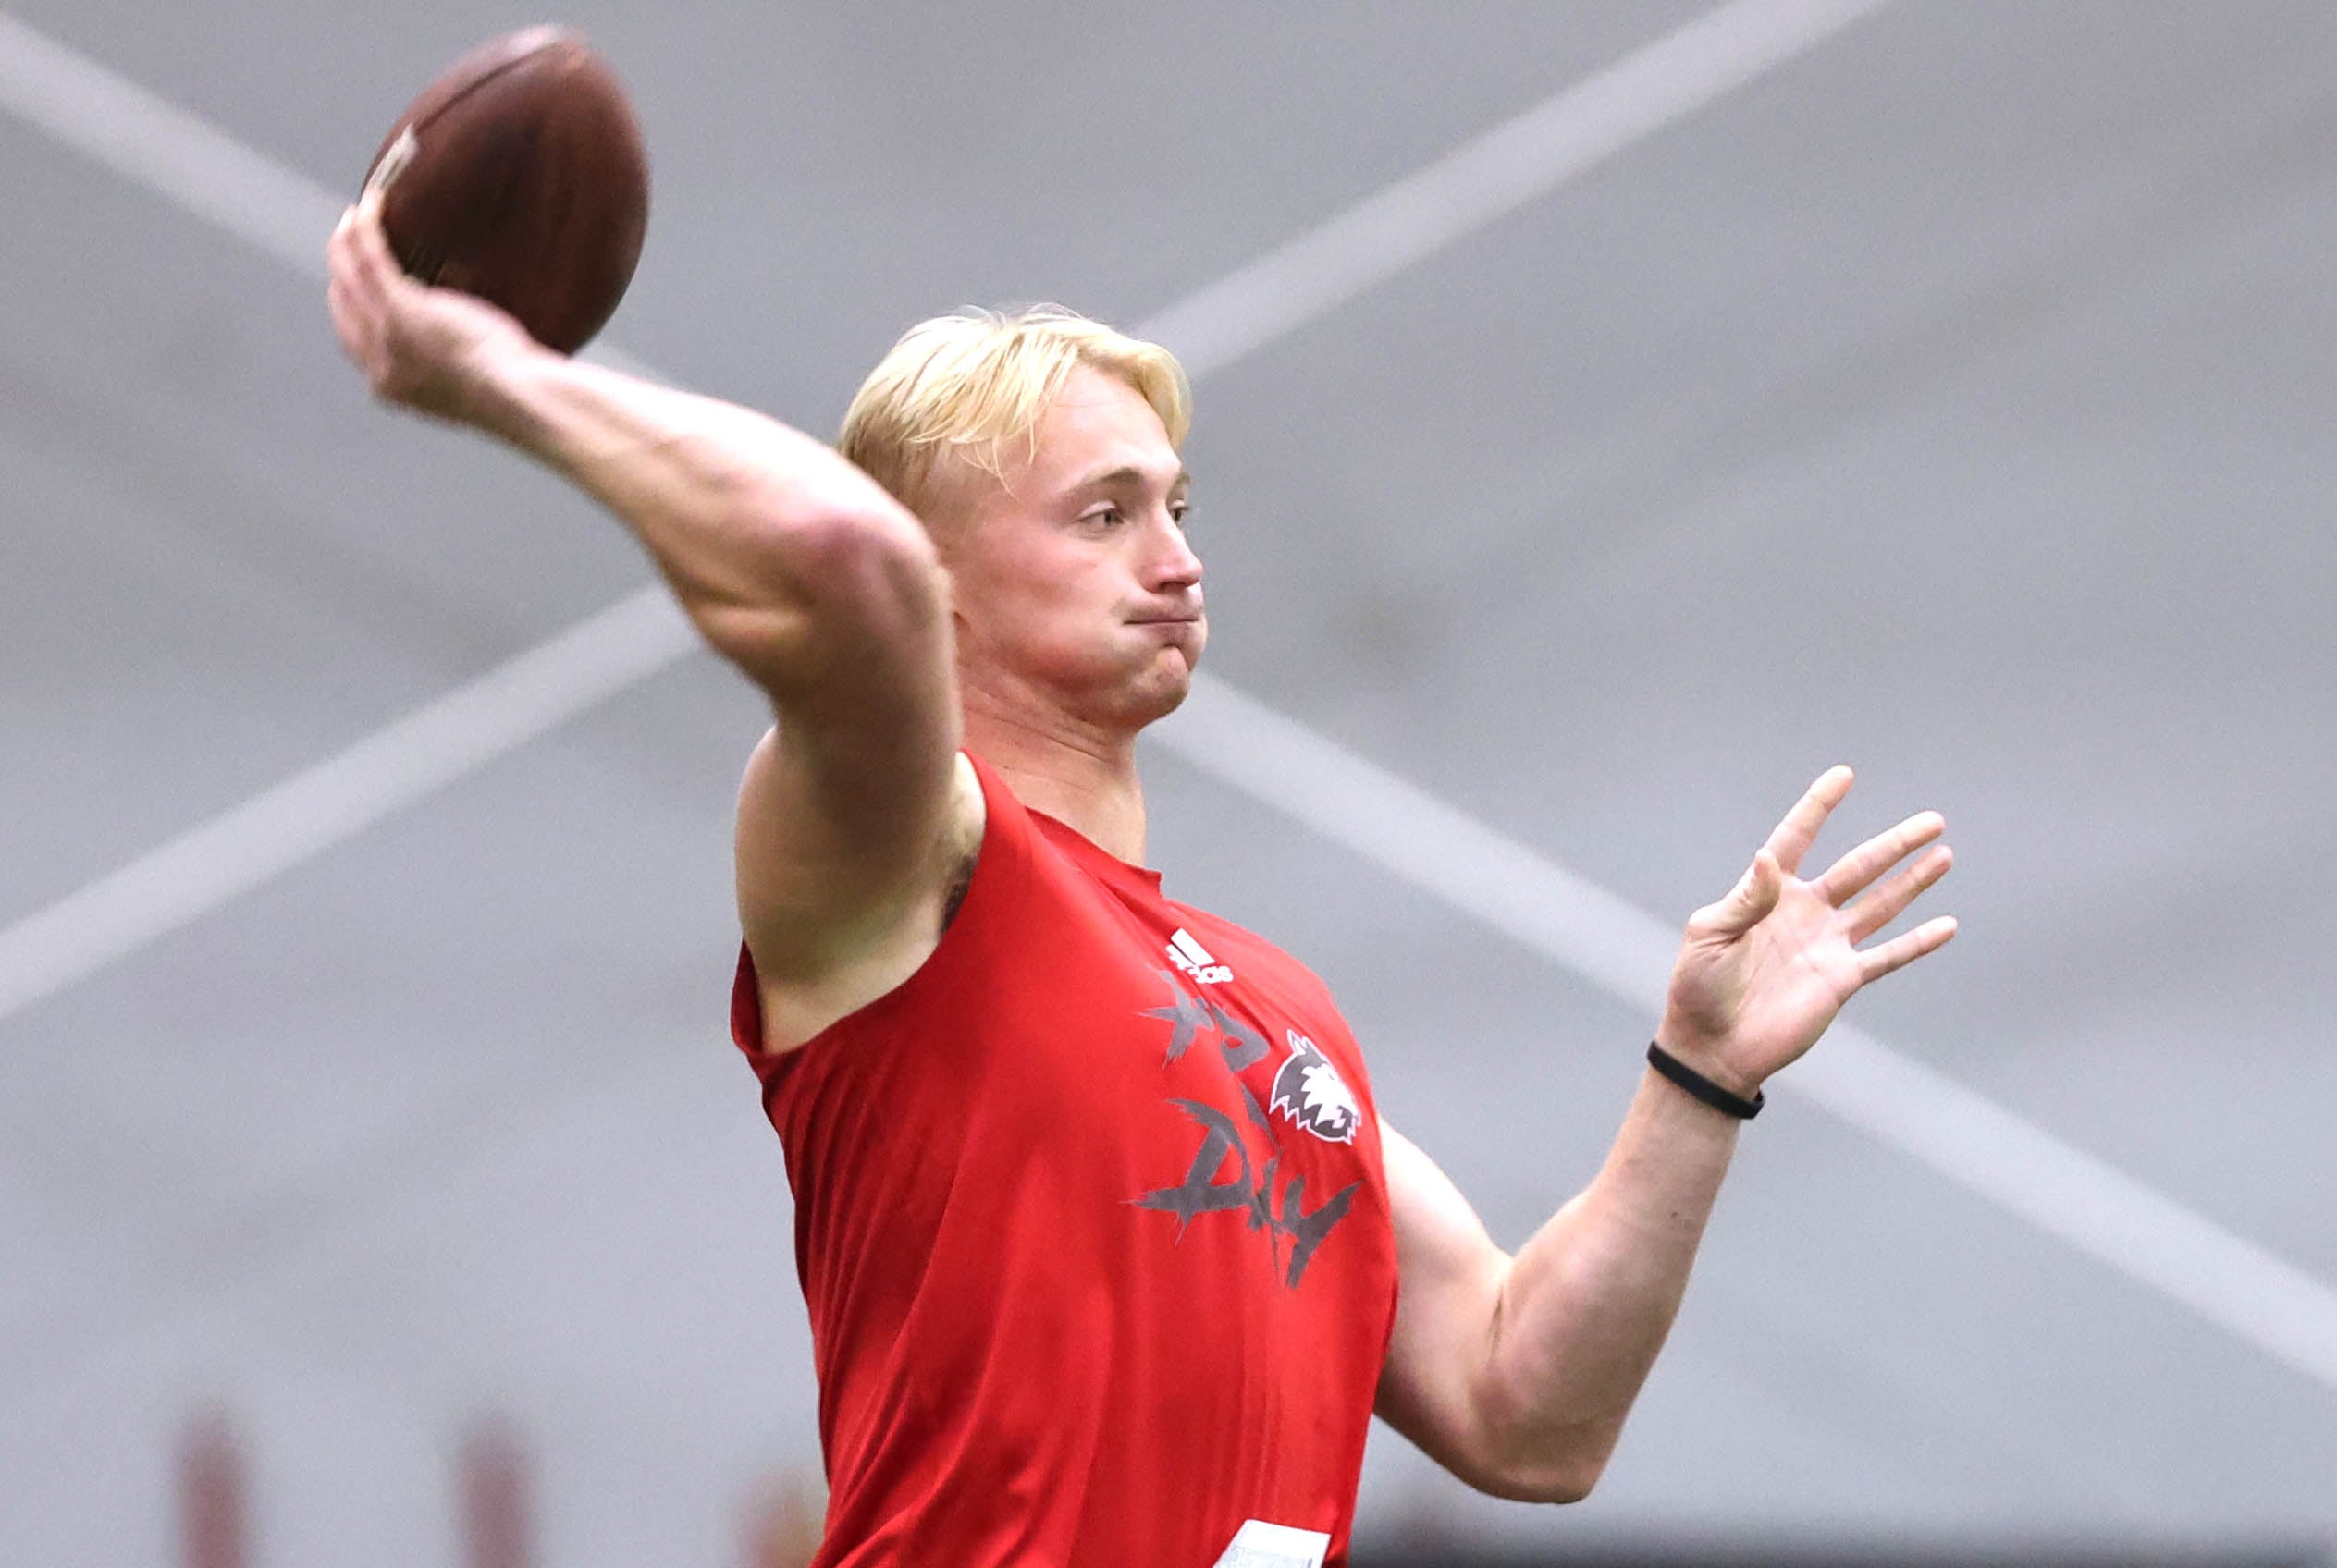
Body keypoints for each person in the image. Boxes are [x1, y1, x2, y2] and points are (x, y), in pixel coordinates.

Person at [326, 190, 1955, 1568]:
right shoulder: (905, 866)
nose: (1179, 562)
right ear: (941, 579)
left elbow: (1531, 1414)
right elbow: (842, 568)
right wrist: (496, 374)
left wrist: (1699, 1079)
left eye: (1176, 509)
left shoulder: (1276, 1013)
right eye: (1104, 515)